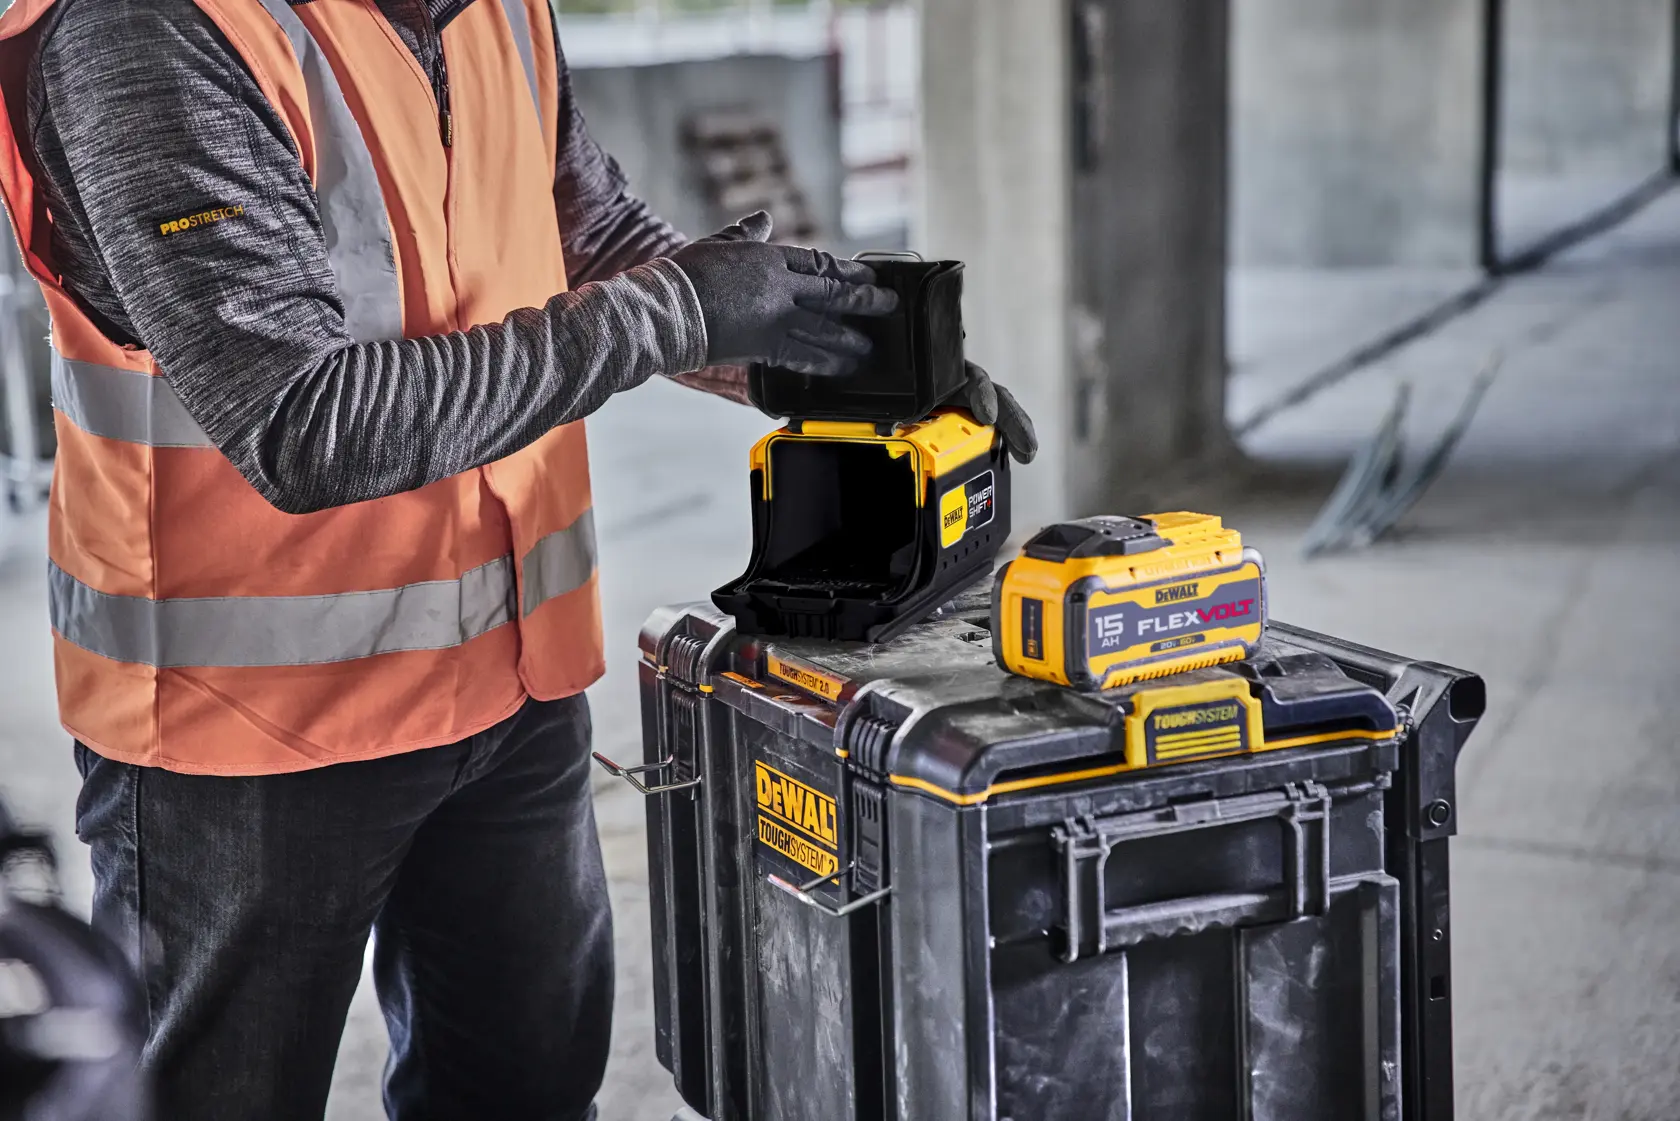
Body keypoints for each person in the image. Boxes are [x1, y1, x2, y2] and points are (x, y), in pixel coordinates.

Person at [0, 1, 1034, 1118]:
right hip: (246, 733)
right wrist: (676, 312)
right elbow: (303, 421)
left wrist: (860, 365)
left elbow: (594, 243)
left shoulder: (497, 11)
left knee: (526, 1091)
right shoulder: (152, 28)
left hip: (510, 690)